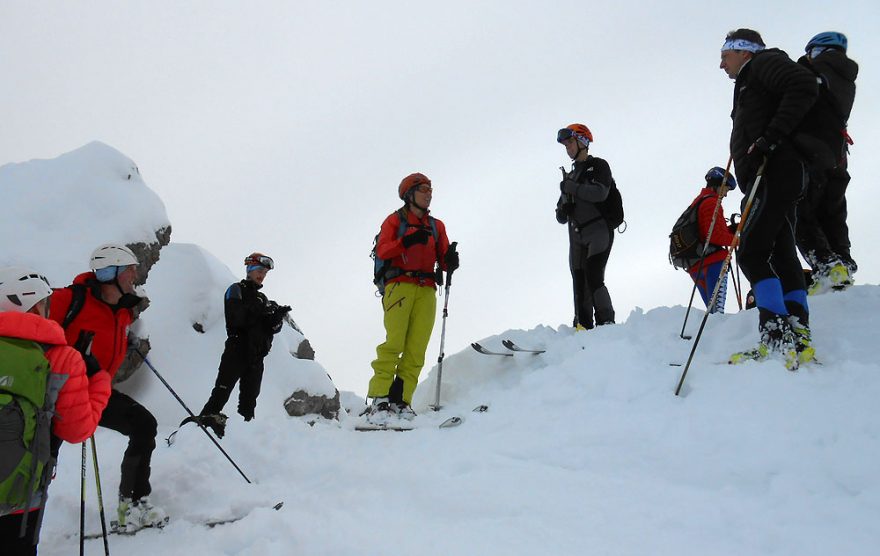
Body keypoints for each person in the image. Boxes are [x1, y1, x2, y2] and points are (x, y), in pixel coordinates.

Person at [48, 243, 166, 532]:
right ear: (109, 273)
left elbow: (103, 341)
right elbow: (36, 333)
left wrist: (128, 342)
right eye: (129, 270)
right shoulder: (67, 300)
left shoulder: (122, 311)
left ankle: (133, 504)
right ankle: (18, 521)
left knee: (144, 425)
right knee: (42, 460)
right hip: (53, 396)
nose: (134, 276)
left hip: (94, 393)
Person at [719, 29, 818, 369]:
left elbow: (804, 86)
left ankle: (776, 334)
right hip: (776, 172)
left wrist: (769, 139)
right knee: (780, 251)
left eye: (725, 56)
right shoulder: (752, 79)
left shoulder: (763, 63)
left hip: (773, 171)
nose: (722, 65)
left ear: (743, 51)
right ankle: (797, 331)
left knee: (751, 250)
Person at [0, 266, 111, 555]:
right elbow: (77, 430)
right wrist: (98, 380)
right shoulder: (61, 358)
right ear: (35, 305)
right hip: (20, 499)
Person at [366, 172, 457, 424]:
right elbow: (383, 250)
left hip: (427, 287)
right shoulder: (395, 221)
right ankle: (379, 397)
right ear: (409, 194)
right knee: (394, 343)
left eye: (430, 190)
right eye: (423, 189)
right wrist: (407, 241)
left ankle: (402, 400)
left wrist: (451, 260)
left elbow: (444, 259)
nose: (429, 194)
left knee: (416, 348)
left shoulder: (436, 226)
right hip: (399, 285)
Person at [793, 31, 859, 294]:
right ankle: (841, 265)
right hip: (837, 154)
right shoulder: (845, 77)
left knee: (800, 211)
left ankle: (826, 266)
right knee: (831, 213)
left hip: (810, 150)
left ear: (817, 50)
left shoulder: (812, 71)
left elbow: (796, 101)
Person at [196, 253, 289, 436]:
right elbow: (235, 318)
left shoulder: (263, 299)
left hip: (257, 355)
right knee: (221, 392)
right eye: (260, 270)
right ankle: (202, 425)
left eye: (265, 272)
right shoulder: (236, 289)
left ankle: (244, 435)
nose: (262, 275)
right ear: (250, 270)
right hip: (237, 348)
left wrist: (276, 318)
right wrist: (262, 311)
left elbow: (272, 328)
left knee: (249, 401)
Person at [555, 123, 616, 330]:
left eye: (570, 142)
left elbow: (600, 193)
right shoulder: (570, 176)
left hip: (598, 230)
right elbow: (560, 216)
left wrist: (573, 188)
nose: (567, 147)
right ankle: (583, 325)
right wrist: (563, 209)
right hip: (577, 236)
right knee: (579, 280)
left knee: (593, 275)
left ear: (583, 142)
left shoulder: (598, 166)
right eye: (565, 144)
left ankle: (606, 322)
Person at [685, 167, 738, 313]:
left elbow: (708, 232)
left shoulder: (699, 201)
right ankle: (720, 333)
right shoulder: (711, 203)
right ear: (718, 184)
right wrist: (738, 239)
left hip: (696, 264)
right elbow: (714, 236)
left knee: (712, 312)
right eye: (726, 189)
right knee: (717, 312)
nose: (726, 194)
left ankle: (712, 334)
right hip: (713, 263)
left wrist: (730, 231)